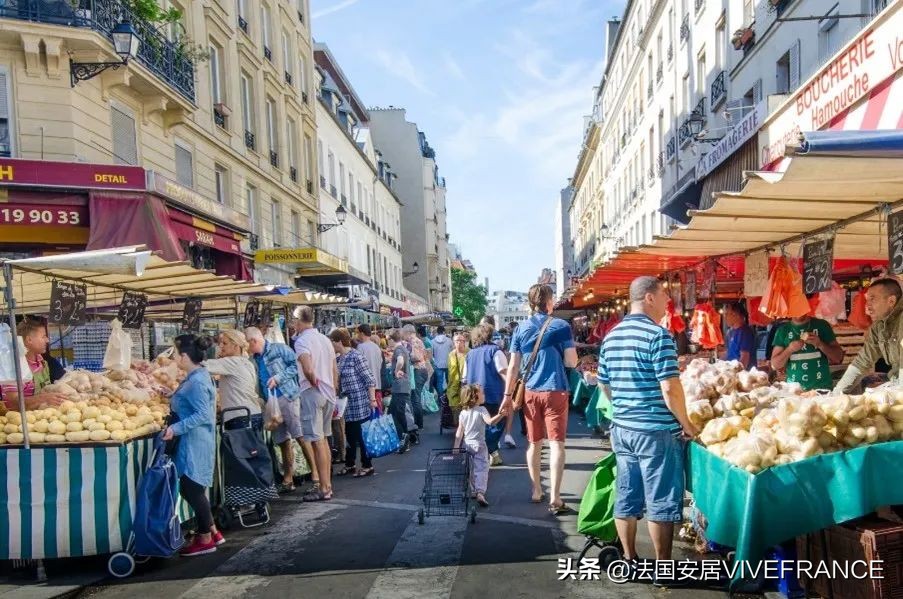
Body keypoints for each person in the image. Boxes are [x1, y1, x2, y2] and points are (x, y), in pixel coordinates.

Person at [597, 277, 698, 584]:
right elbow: (670, 388)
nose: (668, 303)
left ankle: (628, 560)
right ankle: (664, 569)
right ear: (649, 297)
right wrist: (688, 425)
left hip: (623, 429)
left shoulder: (611, 337)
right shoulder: (659, 335)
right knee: (662, 500)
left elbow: (604, 383)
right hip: (656, 432)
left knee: (626, 494)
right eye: (665, 297)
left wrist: (625, 406)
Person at [501, 284, 578, 513]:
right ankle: (555, 496)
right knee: (557, 444)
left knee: (534, 443)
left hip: (530, 391)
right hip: (555, 389)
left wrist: (507, 395)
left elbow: (513, 366)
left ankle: (536, 490)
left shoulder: (520, 328)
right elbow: (571, 362)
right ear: (549, 302)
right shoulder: (561, 326)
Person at [162, 334, 223, 556]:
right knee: (193, 488)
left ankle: (205, 538)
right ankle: (211, 532)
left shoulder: (197, 380)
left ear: (185, 356)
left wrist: (174, 429)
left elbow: (202, 415)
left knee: (192, 489)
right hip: (192, 440)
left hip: (194, 441)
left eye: (176, 354)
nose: (175, 358)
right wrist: (170, 394)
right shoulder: (196, 376)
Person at [247, 326, 312, 494]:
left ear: (253, 341)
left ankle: (317, 477)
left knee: (300, 436)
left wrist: (278, 377)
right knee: (282, 440)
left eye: (247, 344)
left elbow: (296, 366)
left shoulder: (279, 349)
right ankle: (288, 479)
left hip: (287, 396)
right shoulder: (253, 359)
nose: (246, 347)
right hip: (271, 403)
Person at [292, 306, 338, 502]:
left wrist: (314, 382)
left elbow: (308, 368)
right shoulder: (325, 339)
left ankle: (324, 487)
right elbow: (335, 369)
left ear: (298, 320)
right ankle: (327, 485)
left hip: (313, 392)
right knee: (324, 440)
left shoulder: (302, 341)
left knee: (317, 441)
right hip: (328, 393)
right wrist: (332, 391)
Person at [836, 278, 903, 392]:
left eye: (872, 299)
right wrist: (836, 394)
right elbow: (862, 361)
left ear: (891, 301)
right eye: (867, 299)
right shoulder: (878, 327)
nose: (867, 305)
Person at [330, 328, 379, 477]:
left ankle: (367, 465)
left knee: (361, 435)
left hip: (360, 402)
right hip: (347, 404)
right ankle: (350, 463)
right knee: (350, 434)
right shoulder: (340, 359)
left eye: (332, 342)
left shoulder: (356, 356)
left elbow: (370, 379)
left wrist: (372, 400)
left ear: (338, 341)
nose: (331, 345)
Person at [454, 384, 507, 508]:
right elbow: (490, 422)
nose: (484, 395)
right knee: (482, 469)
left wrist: (456, 447)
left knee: (471, 468)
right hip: (480, 445)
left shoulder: (463, 413)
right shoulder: (482, 410)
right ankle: (480, 492)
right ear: (475, 397)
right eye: (482, 393)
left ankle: (473, 490)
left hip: (467, 445)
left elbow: (459, 432)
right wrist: (501, 415)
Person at [463, 323, 509, 466]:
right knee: (497, 423)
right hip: (493, 393)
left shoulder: (469, 354)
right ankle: (489, 450)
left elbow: (464, 378)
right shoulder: (496, 351)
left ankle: (491, 453)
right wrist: (511, 392)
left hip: (473, 395)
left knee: (480, 425)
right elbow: (504, 373)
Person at [203, 330, 263, 431]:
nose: (221, 346)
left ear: (236, 346)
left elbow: (202, 366)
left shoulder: (232, 362)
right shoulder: (246, 363)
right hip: (253, 413)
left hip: (239, 417)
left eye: (225, 343)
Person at [771, 309, 843, 391]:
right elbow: (775, 365)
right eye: (795, 306)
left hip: (822, 389)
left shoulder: (822, 325)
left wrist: (820, 344)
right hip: (794, 391)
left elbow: (838, 358)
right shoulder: (783, 330)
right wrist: (789, 349)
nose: (798, 309)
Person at [1, 319, 65, 410]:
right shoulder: (15, 367)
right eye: (43, 337)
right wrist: (42, 398)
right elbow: (13, 401)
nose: (47, 340)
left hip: (42, 414)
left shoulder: (40, 359)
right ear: (29, 340)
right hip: (20, 419)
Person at [386, 329, 413, 453]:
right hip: (402, 387)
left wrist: (396, 371)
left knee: (397, 413)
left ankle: (404, 436)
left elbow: (401, 360)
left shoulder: (398, 349)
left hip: (400, 387)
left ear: (392, 339)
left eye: (388, 340)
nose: (388, 343)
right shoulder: (402, 348)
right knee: (394, 413)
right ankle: (404, 436)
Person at [355, 324, 384, 405]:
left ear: (362, 333)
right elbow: (380, 364)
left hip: (366, 385)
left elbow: (358, 366)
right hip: (377, 384)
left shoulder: (361, 347)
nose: (357, 335)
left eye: (358, 333)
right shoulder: (377, 347)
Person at [724, 302, 757, 370]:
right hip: (730, 370)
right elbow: (728, 354)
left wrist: (735, 374)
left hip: (743, 375)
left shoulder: (745, 332)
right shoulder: (730, 332)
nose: (725, 317)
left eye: (727, 314)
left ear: (737, 315)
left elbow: (744, 359)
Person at [446, 332, 469, 425]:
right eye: (456, 341)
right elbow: (450, 371)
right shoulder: (451, 354)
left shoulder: (470, 353)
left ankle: (466, 429)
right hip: (454, 385)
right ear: (453, 343)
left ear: (464, 342)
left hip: (467, 385)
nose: (459, 343)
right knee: (455, 408)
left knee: (466, 406)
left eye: (461, 340)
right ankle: (459, 428)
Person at [431, 325, 453, 396]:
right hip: (448, 364)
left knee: (439, 382)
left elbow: (432, 354)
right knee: (449, 382)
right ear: (444, 332)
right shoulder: (449, 341)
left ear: (437, 332)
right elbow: (452, 352)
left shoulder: (432, 341)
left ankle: (441, 398)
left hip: (437, 364)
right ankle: (449, 397)